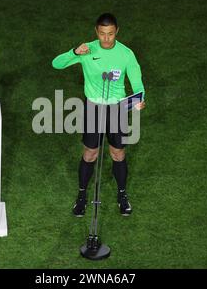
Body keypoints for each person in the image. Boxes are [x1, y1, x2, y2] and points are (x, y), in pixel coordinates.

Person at [52, 13, 146, 217]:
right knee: (90, 153)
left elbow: (137, 81)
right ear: (96, 32)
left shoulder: (126, 54)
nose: (106, 39)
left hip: (117, 109)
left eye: (110, 34)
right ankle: (82, 196)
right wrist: (74, 52)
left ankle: (122, 195)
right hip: (93, 108)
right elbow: (56, 64)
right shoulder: (87, 49)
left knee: (118, 153)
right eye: (102, 34)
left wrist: (140, 98)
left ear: (117, 32)